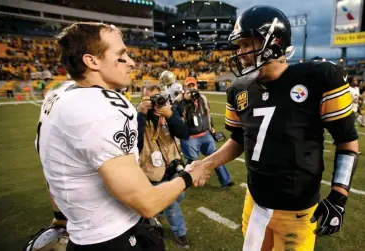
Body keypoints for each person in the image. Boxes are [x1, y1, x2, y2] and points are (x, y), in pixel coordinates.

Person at [189, 6, 359, 251]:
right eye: (239, 46)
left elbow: (347, 141)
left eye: (247, 44)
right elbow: (239, 139)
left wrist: (339, 194)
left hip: (298, 212)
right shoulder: (238, 89)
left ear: (275, 42)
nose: (241, 53)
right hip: (255, 203)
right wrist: (207, 164)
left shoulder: (320, 77)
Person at [34, 22, 209, 251]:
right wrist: (189, 175)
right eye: (121, 55)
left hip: (82, 235)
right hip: (113, 238)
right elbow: (148, 203)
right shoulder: (103, 106)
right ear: (92, 61)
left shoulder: (58, 94)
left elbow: (53, 168)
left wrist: (60, 218)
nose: (131, 62)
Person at [137, 83, 190, 249]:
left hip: (173, 166)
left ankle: (157, 209)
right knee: (171, 203)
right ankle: (180, 233)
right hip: (152, 169)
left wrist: (170, 115)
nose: (155, 103)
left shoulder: (168, 112)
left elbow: (184, 133)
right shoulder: (136, 116)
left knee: (177, 197)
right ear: (142, 99)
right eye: (150, 99)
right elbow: (134, 145)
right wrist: (140, 116)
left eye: (157, 98)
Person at [177, 77, 234, 189]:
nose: (192, 88)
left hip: (205, 134)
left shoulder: (202, 98)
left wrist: (211, 127)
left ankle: (226, 181)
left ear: (197, 86)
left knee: (216, 156)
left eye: (193, 85)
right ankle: (185, 181)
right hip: (190, 137)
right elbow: (177, 115)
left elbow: (208, 113)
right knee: (192, 161)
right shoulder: (180, 101)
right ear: (185, 87)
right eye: (189, 86)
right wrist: (184, 100)